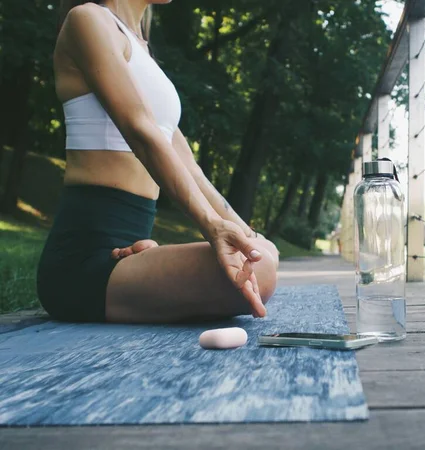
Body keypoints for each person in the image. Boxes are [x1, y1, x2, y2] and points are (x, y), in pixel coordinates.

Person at [36, 0, 279, 324]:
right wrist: (211, 227)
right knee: (258, 270)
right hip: (80, 261)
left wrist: (243, 232)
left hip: (130, 251)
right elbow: (141, 132)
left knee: (264, 254)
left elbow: (189, 167)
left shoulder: (141, 49)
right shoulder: (88, 20)